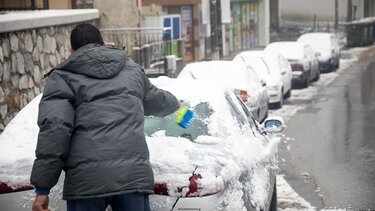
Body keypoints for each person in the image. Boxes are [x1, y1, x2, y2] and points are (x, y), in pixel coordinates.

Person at [30, 23, 180, 211]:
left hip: (86, 184)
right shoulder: (131, 70)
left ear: (72, 50)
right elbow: (155, 101)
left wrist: (43, 188)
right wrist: (175, 102)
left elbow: (54, 129)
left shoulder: (62, 78)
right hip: (131, 178)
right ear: (102, 43)